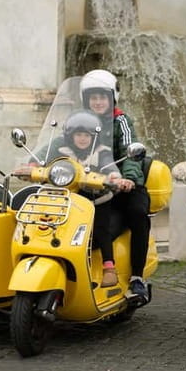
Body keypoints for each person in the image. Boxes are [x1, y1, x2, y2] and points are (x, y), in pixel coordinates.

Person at [79, 69, 152, 307]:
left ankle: (137, 278)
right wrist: (35, 162)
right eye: (93, 97)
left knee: (138, 213)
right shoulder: (80, 122)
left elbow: (130, 151)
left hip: (124, 187)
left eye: (103, 97)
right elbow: (59, 143)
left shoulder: (121, 120)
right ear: (85, 100)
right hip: (93, 187)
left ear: (112, 98)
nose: (98, 102)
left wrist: (128, 178)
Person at [59, 110, 122, 287]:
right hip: (73, 200)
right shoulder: (64, 151)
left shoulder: (102, 152)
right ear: (71, 136)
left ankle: (109, 268)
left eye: (87, 135)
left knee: (101, 229)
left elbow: (110, 167)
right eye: (78, 134)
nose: (82, 139)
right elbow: (50, 164)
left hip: (98, 199)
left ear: (94, 137)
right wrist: (31, 167)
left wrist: (115, 177)